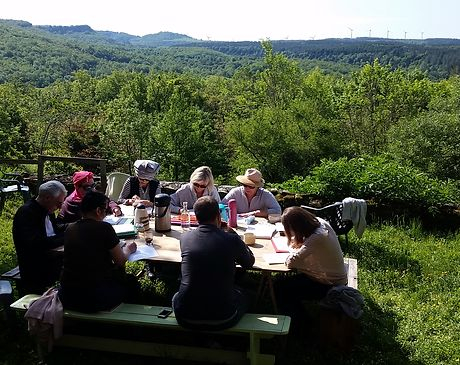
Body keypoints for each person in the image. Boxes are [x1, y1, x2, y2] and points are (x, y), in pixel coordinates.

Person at [172, 196, 255, 330]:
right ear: (218, 216)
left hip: (185, 316)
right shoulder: (232, 239)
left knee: (176, 295)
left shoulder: (185, 238)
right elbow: (249, 263)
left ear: (196, 217)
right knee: (248, 295)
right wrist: (236, 237)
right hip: (224, 317)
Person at [59, 191, 138, 312]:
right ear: (98, 211)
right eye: (106, 210)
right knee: (132, 282)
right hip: (96, 298)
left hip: (68, 295)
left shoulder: (70, 228)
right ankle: (129, 323)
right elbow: (120, 261)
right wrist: (128, 249)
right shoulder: (104, 228)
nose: (106, 214)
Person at [275, 207, 347, 321]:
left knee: (280, 288)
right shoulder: (319, 222)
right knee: (281, 283)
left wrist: (292, 250)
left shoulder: (317, 237)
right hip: (331, 276)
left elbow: (291, 262)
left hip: (330, 283)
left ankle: (301, 323)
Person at [12, 180, 68, 294]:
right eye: (58, 203)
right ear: (47, 198)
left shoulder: (47, 209)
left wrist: (75, 227)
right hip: (36, 267)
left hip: (51, 259)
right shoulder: (26, 213)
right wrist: (66, 237)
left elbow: (55, 228)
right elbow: (37, 243)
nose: (60, 207)